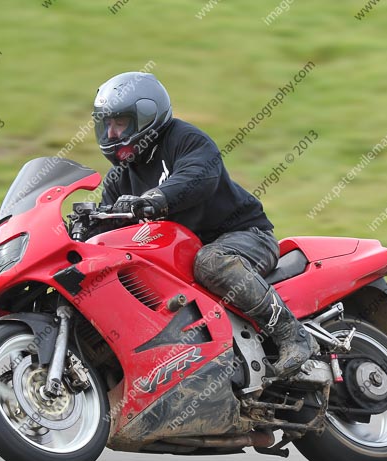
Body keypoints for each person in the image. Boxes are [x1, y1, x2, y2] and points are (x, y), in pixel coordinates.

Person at [92, 71, 317, 377]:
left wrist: (156, 198)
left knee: (212, 261)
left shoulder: (184, 140)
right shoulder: (119, 179)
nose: (113, 134)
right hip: (182, 260)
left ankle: (292, 335)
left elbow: (198, 176)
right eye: (107, 125)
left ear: (145, 117)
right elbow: (107, 228)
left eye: (120, 124)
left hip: (244, 236)